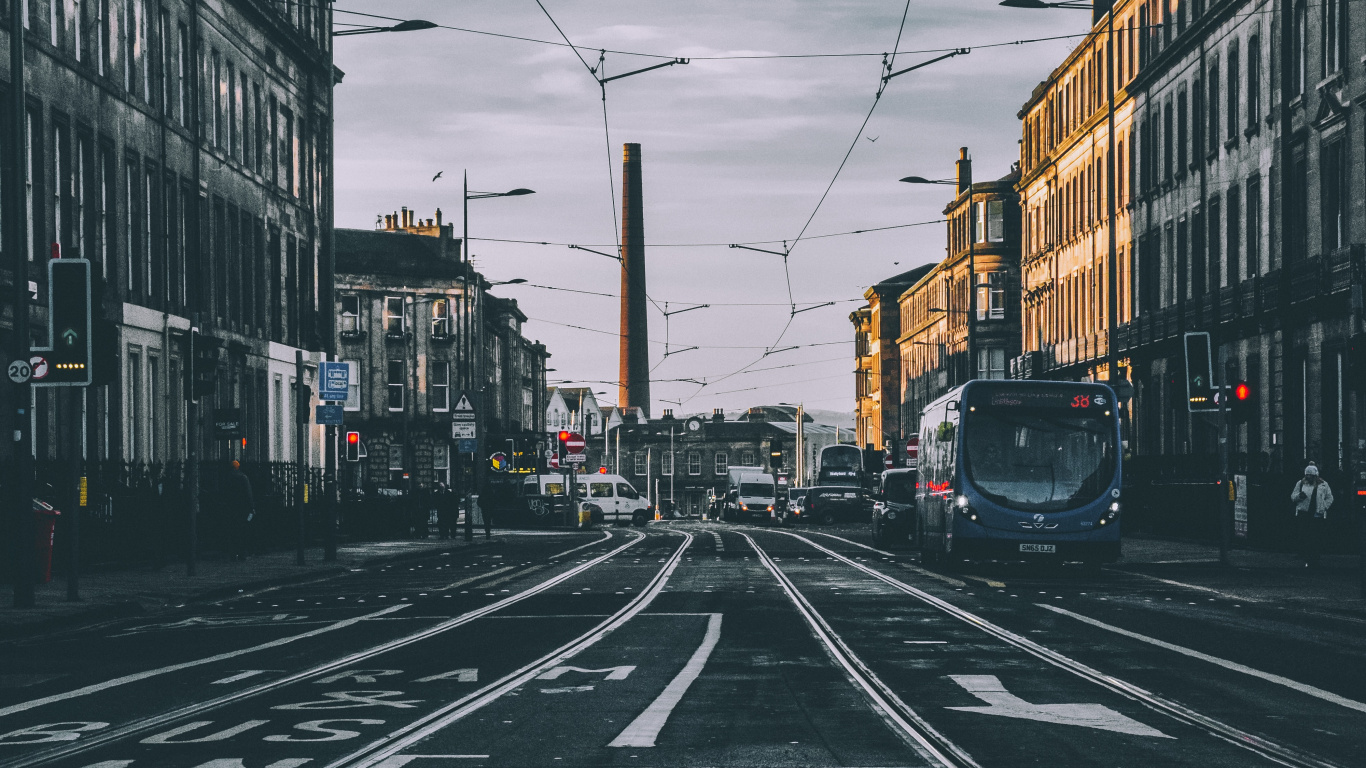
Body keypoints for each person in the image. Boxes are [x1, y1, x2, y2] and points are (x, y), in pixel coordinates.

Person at [1290, 462, 1334, 568]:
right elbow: (1293, 496)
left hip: (1317, 513)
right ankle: (1308, 556)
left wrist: (1324, 506)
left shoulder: (1324, 484)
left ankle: (1314, 557)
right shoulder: (1301, 483)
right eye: (1307, 475)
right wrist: (1299, 496)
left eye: (1311, 475)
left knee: (1316, 537)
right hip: (1304, 513)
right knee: (1305, 536)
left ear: (1315, 475)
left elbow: (1330, 497)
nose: (1308, 477)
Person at [225, 460, 256, 561]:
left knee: (232, 531)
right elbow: (248, 494)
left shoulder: (227, 478)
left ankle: (232, 554)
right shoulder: (243, 477)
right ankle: (242, 553)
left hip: (231, 508)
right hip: (243, 508)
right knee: (243, 530)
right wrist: (251, 507)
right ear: (238, 467)